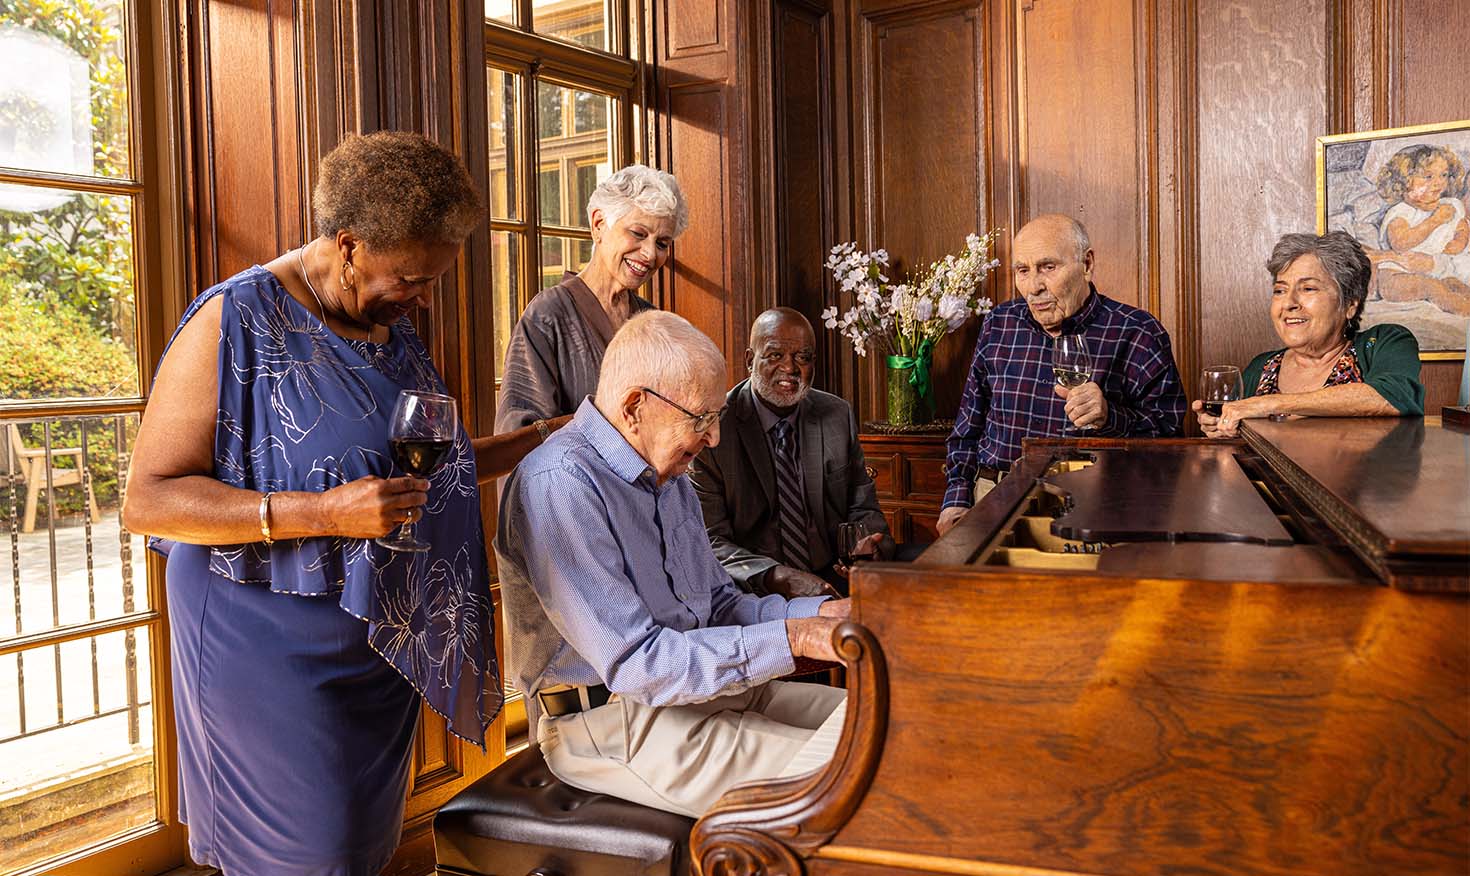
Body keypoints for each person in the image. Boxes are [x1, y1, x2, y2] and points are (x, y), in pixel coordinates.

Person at [121, 132, 558, 876]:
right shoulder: (233, 321)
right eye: (412, 278)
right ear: (348, 244)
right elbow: (147, 501)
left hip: (373, 639)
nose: (422, 297)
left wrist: (547, 435)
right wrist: (322, 515)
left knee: (357, 850)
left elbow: (431, 472)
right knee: (308, 857)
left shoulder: (389, 328)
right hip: (261, 639)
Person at [496, 310, 851, 818]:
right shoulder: (560, 483)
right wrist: (794, 640)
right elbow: (640, 664)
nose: (714, 440)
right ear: (635, 406)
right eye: (701, 419)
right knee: (855, 779)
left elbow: (721, 604)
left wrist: (823, 616)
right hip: (609, 724)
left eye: (717, 418)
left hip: (691, 691)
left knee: (893, 727)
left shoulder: (669, 474)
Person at [937, 214, 1186, 536]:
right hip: (992, 498)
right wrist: (956, 499)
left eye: (1048, 267)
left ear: (1087, 263)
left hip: (1092, 507)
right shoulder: (999, 323)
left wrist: (1111, 416)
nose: (1034, 286)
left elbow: (1170, 437)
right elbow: (968, 425)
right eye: (1023, 271)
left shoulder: (1137, 331)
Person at [691, 307, 892, 597]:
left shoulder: (836, 414)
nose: (790, 368)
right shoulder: (714, 429)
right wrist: (779, 577)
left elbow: (864, 509)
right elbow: (711, 540)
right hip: (753, 591)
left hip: (834, 579)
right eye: (775, 355)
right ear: (750, 360)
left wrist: (873, 544)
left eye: (803, 357)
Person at [494, 164, 689, 433]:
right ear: (599, 224)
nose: (649, 255)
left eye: (662, 244)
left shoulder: (653, 323)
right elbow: (519, 437)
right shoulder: (547, 316)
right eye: (638, 234)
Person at [1194, 231, 1424, 438]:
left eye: (1308, 288)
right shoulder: (1261, 367)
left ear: (1350, 304)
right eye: (1280, 290)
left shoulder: (1386, 342)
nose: (1289, 303)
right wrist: (1224, 428)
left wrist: (1269, 404)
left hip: (1360, 485)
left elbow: (1392, 396)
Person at [1372, 143, 1470, 316]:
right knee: (1430, 287)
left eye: (1444, 175)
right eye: (1428, 176)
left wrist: (1458, 242)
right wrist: (1434, 221)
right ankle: (1465, 311)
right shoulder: (1402, 211)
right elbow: (1401, 243)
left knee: (1456, 284)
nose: (1438, 182)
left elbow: (1461, 227)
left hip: (1437, 269)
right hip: (1397, 273)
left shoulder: (1451, 205)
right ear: (1404, 181)